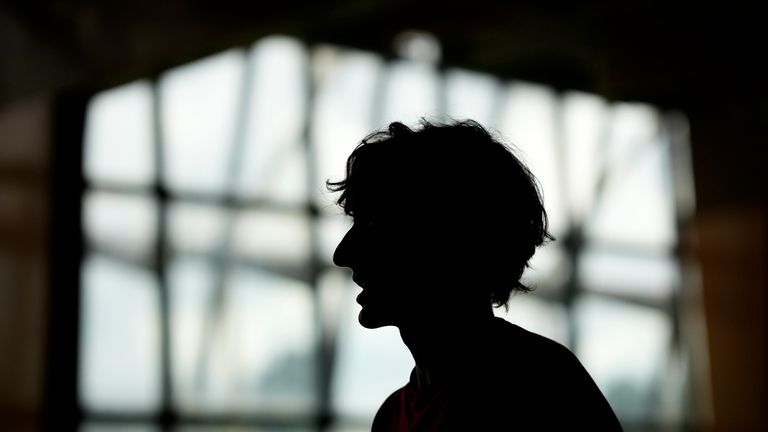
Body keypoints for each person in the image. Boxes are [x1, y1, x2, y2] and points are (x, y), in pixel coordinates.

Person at [329, 120, 623, 431]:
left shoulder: (536, 385)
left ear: (450, 240)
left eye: (375, 225)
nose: (343, 253)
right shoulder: (542, 379)